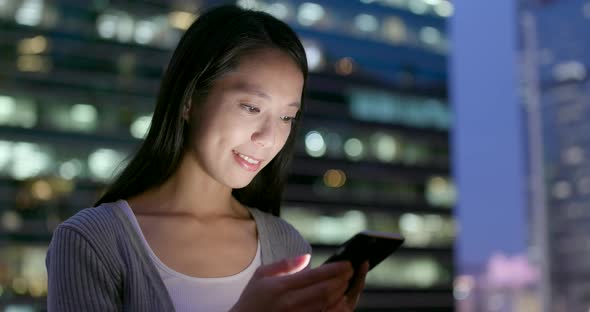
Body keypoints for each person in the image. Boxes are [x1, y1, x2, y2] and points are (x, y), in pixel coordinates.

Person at [45, 4, 369, 312]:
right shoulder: (92, 241)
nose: (269, 138)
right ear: (189, 100)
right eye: (252, 108)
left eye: (287, 118)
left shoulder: (287, 246)